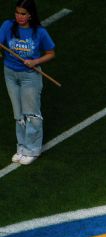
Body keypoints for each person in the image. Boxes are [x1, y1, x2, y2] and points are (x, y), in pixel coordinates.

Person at [1, 1, 54, 165]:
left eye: (23, 13)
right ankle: (22, 147)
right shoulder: (8, 26)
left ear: (30, 15)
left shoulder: (39, 32)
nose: (19, 16)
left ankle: (32, 150)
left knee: (31, 113)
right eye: (17, 12)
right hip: (10, 74)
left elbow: (51, 53)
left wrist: (35, 61)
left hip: (30, 76)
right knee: (19, 114)